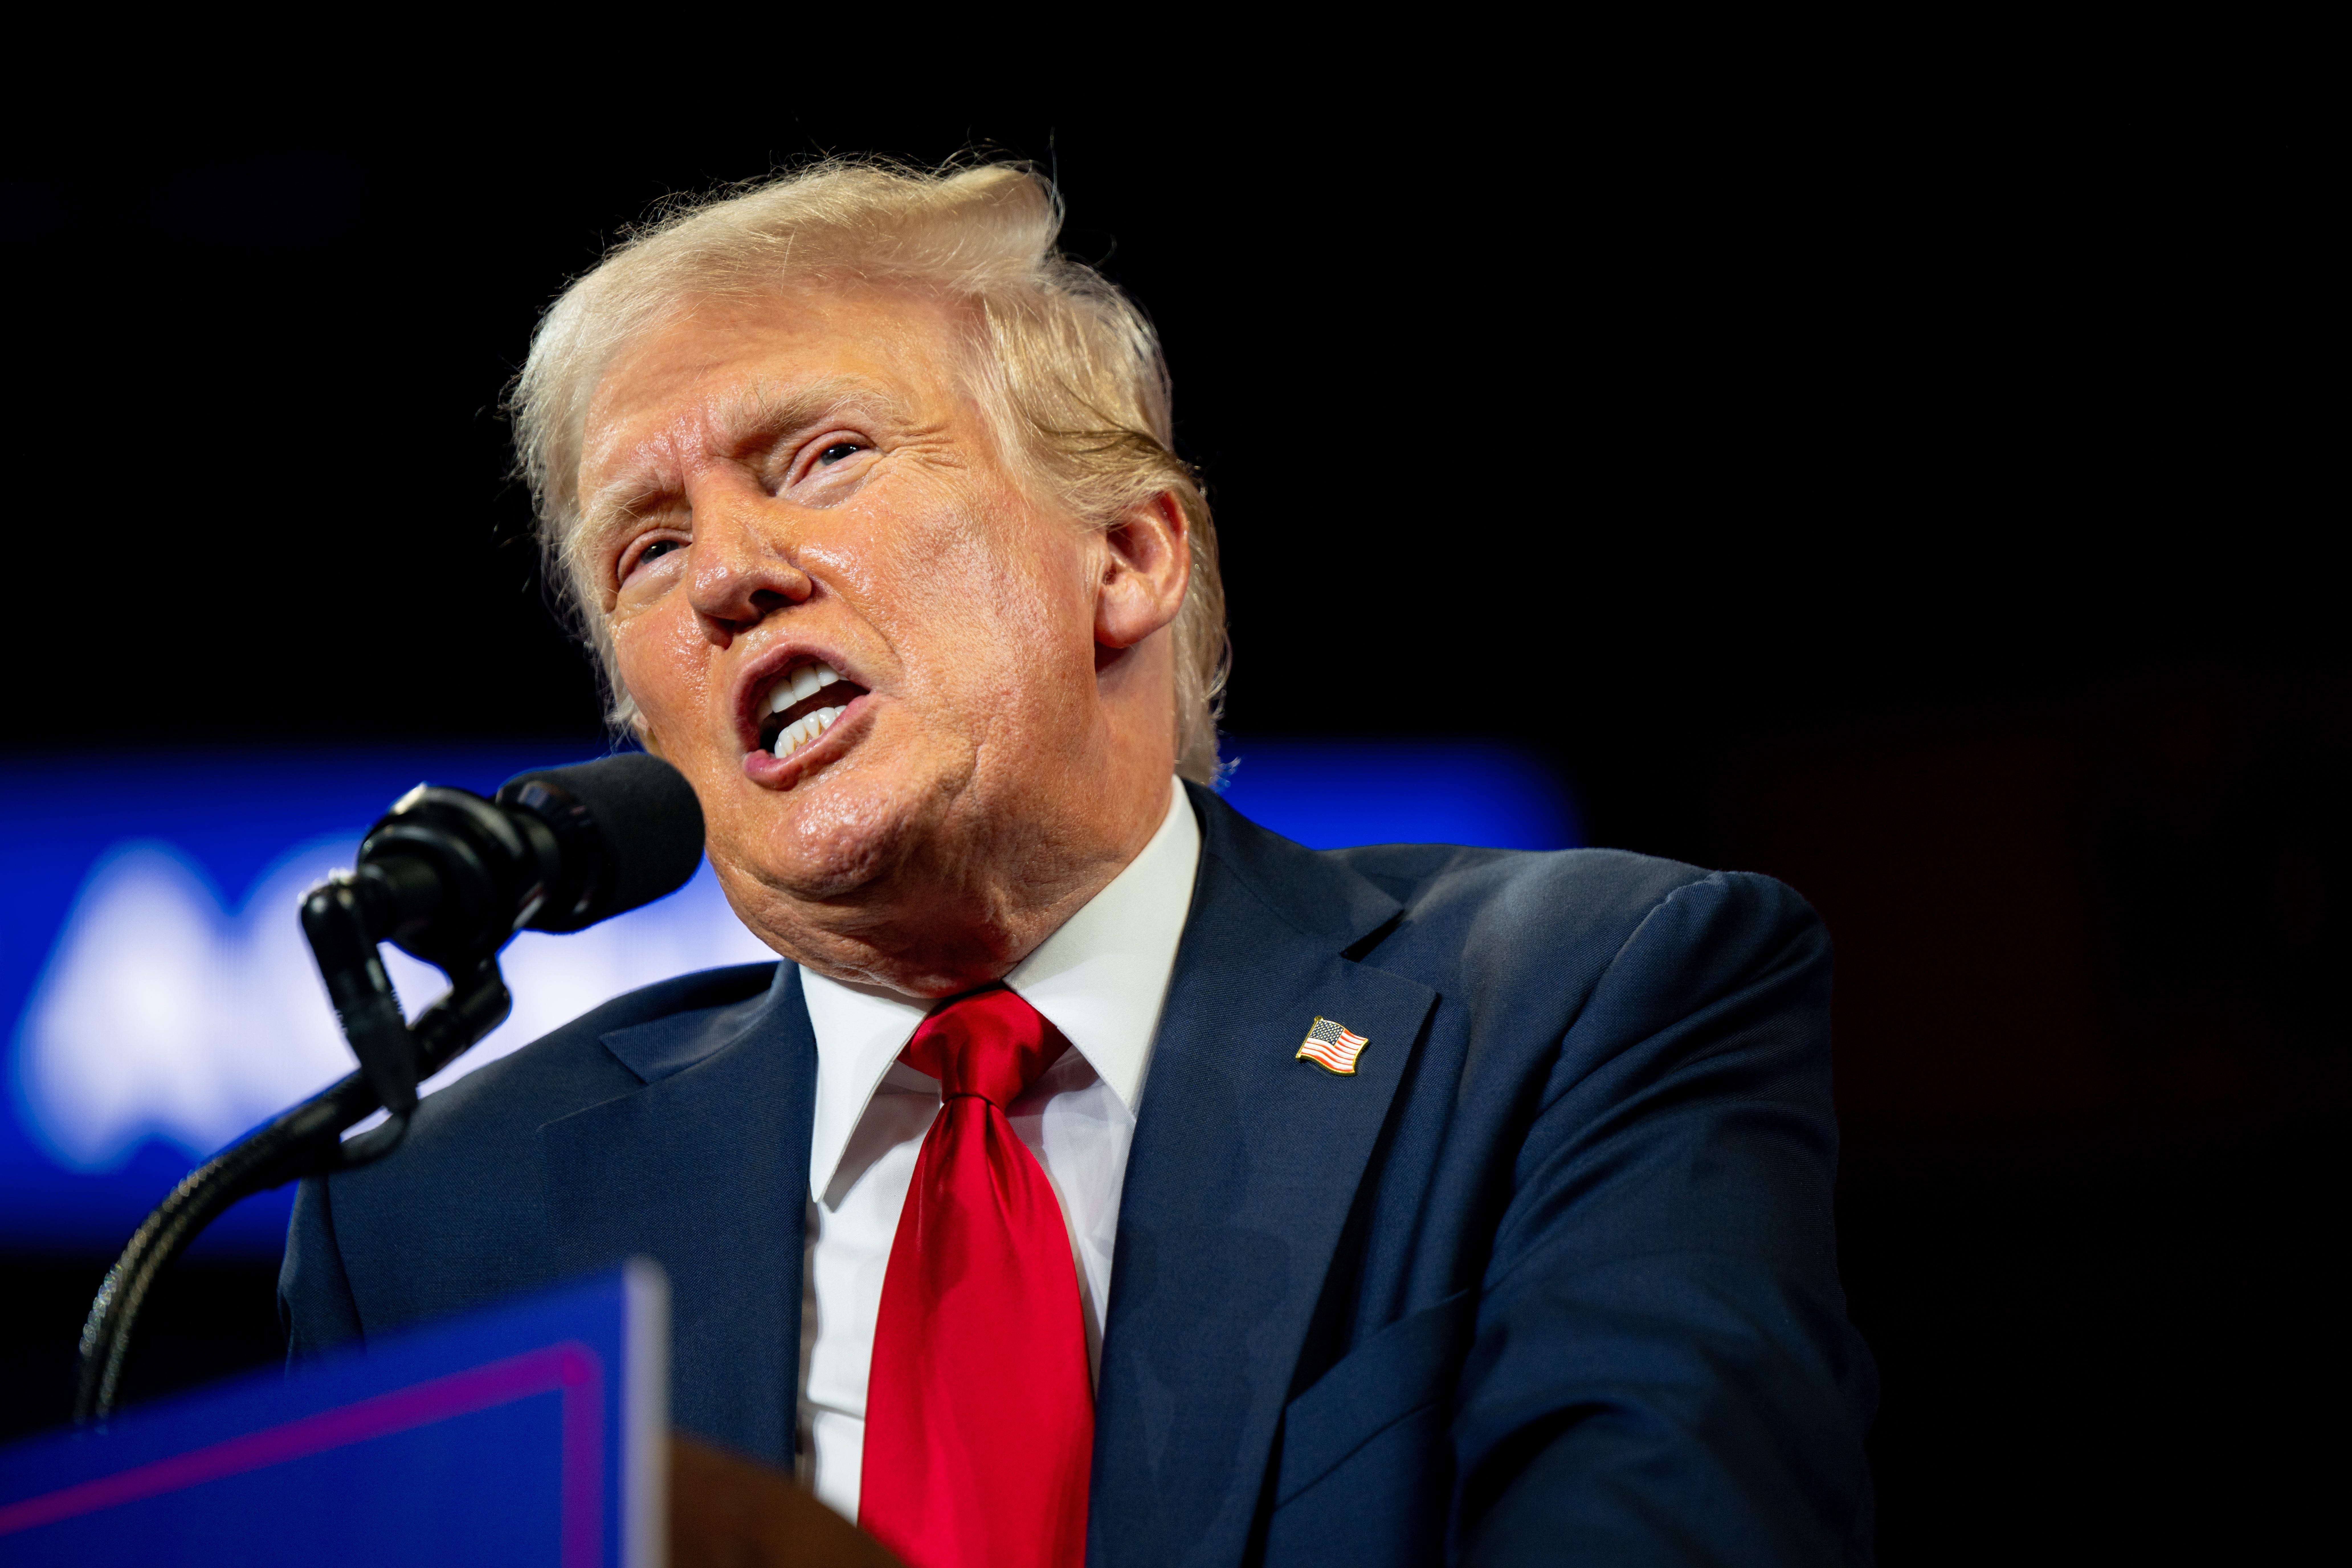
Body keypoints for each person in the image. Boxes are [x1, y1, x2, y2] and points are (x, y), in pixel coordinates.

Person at [279, 160, 1877, 1566]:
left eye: (822, 458)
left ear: (1125, 556)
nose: (727, 579)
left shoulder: (1576, 1007)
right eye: (647, 546)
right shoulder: (439, 1227)